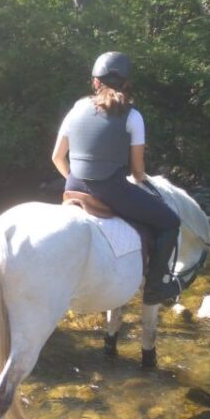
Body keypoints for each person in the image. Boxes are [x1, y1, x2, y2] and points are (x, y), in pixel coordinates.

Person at [51, 51, 181, 305]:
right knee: (170, 222)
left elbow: (57, 157)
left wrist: (77, 180)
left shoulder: (76, 109)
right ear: (127, 84)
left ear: (95, 82)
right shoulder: (133, 117)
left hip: (73, 185)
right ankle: (154, 288)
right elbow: (137, 172)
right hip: (110, 190)